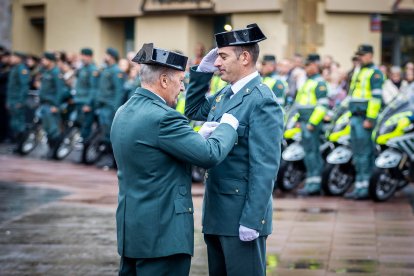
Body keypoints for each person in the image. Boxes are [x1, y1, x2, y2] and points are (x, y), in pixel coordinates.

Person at [111, 43, 239, 276]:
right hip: (162, 235)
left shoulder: (124, 110)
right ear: (163, 81)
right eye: (180, 81)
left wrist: (195, 138)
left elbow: (154, 153)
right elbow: (209, 155)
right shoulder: (164, 118)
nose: (182, 88)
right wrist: (227, 128)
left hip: (134, 231)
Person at [185, 24, 284, 276]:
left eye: (223, 56)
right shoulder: (225, 94)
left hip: (241, 216)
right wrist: (202, 72)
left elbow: (265, 167)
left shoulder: (262, 100)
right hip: (216, 213)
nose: (217, 63)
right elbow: (193, 110)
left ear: (245, 57)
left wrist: (253, 220)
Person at [345, 44, 384, 200]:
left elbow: (376, 99)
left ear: (370, 56)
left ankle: (366, 187)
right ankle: (360, 185)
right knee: (357, 153)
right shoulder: (359, 71)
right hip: (355, 117)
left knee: (365, 153)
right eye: (359, 55)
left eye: (363, 55)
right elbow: (352, 95)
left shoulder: (375, 73)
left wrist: (370, 119)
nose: (360, 57)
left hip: (364, 119)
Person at [294, 54, 329, 196]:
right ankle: (310, 182)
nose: (306, 68)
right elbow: (300, 103)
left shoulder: (319, 83)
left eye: (308, 65)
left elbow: (322, 107)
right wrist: (297, 119)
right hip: (304, 122)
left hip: (311, 124)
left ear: (315, 65)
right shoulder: (308, 82)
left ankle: (315, 184)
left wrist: (312, 123)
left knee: (313, 154)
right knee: (308, 154)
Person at [95, 47, 124, 167]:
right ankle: (105, 158)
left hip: (110, 106)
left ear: (111, 56)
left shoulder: (116, 71)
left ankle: (111, 161)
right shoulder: (106, 69)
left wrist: (116, 108)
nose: (104, 57)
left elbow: (118, 91)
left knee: (110, 134)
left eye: (106, 55)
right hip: (103, 105)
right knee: (104, 132)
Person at [38, 51, 65, 157]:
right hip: (44, 104)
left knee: (54, 130)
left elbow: (60, 91)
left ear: (50, 61)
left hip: (51, 105)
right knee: (47, 129)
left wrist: (56, 106)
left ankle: (54, 153)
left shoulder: (56, 72)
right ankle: (50, 151)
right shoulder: (46, 71)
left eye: (44, 59)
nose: (42, 61)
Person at [74, 48, 99, 141]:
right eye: (82, 55)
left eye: (85, 56)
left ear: (90, 57)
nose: (83, 58)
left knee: (86, 126)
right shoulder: (81, 68)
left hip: (86, 102)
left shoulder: (93, 70)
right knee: (79, 123)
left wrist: (88, 104)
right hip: (79, 100)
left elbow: (94, 89)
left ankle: (85, 147)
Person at [6, 51, 30, 147]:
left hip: (18, 100)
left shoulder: (22, 69)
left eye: (14, 57)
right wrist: (8, 101)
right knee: (14, 124)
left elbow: (24, 87)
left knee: (19, 124)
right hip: (12, 100)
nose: (11, 59)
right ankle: (17, 145)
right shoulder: (14, 68)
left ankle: (21, 146)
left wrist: (21, 101)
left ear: (19, 58)